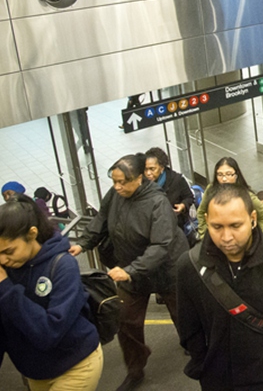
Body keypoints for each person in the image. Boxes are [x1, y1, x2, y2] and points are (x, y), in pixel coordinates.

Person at [176, 183, 263, 390]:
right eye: (217, 227)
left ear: (253, 219)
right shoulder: (188, 266)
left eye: (235, 226)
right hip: (219, 379)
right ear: (206, 221)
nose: (226, 237)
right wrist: (203, 365)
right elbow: (189, 328)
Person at [70, 154, 188, 391]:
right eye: (114, 181)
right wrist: (83, 243)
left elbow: (161, 245)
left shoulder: (157, 202)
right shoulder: (115, 195)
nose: (117, 187)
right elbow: (101, 219)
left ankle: (195, 348)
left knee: (183, 314)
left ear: (140, 178)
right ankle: (135, 370)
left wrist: (131, 270)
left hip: (165, 269)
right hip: (130, 270)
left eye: (123, 182)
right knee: (126, 321)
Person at [0, 196, 102, 391]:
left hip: (76, 365)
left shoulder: (62, 265)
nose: (2, 260)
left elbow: (49, 332)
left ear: (32, 234)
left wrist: (6, 289)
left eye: (9, 251)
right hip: (36, 373)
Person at [197, 158, 263, 238]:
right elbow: (201, 212)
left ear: (236, 175)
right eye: (220, 175)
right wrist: (204, 236)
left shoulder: (246, 195)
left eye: (228, 174)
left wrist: (256, 239)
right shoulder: (210, 190)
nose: (224, 179)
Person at [144, 147, 196, 246]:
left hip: (176, 230)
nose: (148, 173)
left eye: (152, 169)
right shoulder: (142, 184)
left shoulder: (177, 180)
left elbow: (189, 197)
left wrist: (183, 206)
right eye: (145, 169)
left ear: (162, 167)